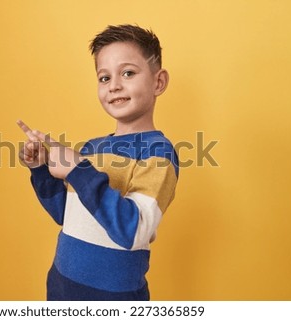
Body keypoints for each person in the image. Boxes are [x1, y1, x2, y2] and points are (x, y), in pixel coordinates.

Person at [17, 24, 179, 301]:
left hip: (112, 297)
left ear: (158, 82)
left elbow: (134, 230)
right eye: (104, 78)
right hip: (61, 285)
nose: (114, 85)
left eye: (128, 73)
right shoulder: (93, 147)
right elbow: (65, 213)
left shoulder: (158, 152)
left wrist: (78, 170)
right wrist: (40, 169)